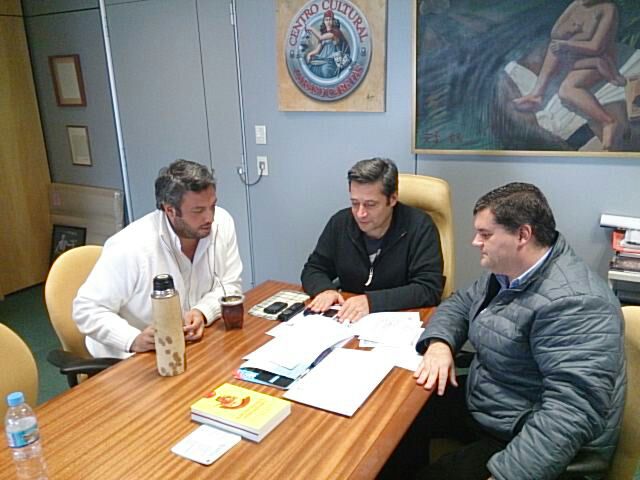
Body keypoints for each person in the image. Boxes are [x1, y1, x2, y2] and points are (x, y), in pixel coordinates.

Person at [387, 182, 625, 480]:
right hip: (495, 400)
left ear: (523, 235)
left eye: (485, 234)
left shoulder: (577, 303)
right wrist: (440, 343)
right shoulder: (510, 271)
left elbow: (569, 414)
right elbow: (460, 303)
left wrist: (507, 475)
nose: (475, 242)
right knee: (394, 422)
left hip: (530, 436)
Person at [73, 159, 243, 359]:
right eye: (198, 211)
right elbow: (86, 309)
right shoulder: (130, 245)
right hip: (131, 357)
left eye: (212, 206)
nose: (210, 218)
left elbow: (230, 285)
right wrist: (132, 339)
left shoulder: (222, 223)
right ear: (170, 210)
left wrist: (202, 312)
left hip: (186, 346)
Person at [301, 157, 444, 323]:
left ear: (392, 199)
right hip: (348, 319)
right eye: (355, 203)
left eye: (370, 204)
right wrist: (325, 290)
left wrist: (371, 301)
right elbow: (314, 268)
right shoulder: (340, 223)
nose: (360, 213)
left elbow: (428, 289)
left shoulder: (419, 226)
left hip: (397, 321)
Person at [513, 0, 624, 150]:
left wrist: (566, 44)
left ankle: (608, 121)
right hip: (575, 57)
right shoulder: (577, 4)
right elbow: (555, 33)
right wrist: (569, 31)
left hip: (598, 59)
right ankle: (537, 94)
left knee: (566, 90)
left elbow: (596, 47)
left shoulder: (607, 9)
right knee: (553, 48)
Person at [305, 9, 351, 78]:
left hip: (332, 61)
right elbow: (318, 50)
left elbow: (321, 37)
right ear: (324, 21)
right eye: (326, 20)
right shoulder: (324, 33)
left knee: (325, 71)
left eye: (330, 19)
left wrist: (311, 29)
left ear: (333, 21)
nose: (328, 22)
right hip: (322, 60)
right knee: (311, 67)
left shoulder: (335, 32)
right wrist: (310, 54)